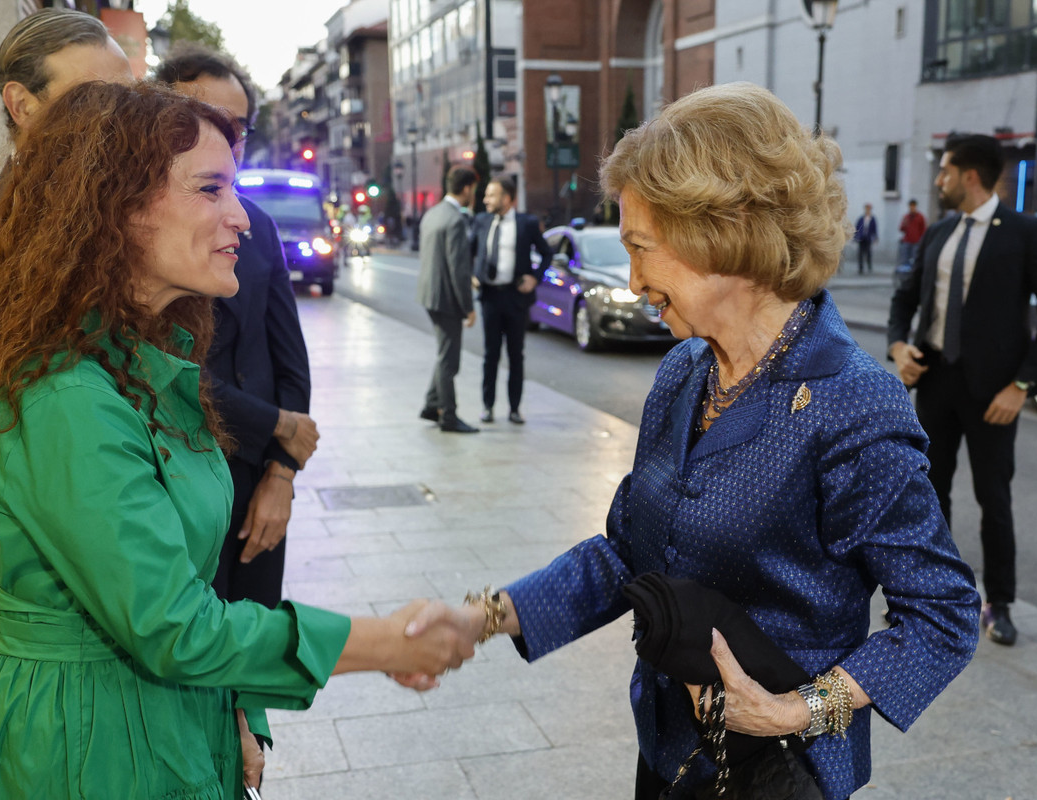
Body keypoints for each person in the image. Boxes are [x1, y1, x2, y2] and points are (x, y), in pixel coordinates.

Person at [416, 83, 980, 800]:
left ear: (723, 231)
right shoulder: (684, 370)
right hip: (670, 752)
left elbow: (942, 613)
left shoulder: (848, 401)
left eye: (641, 248)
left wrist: (796, 709)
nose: (633, 279)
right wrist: (484, 616)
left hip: (775, 774)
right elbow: (625, 550)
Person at [0, 81, 474, 799]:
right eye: (210, 189)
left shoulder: (140, 364)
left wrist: (238, 708)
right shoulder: (59, 395)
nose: (240, 218)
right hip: (79, 749)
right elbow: (171, 624)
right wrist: (380, 641)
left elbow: (187, 582)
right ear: (112, 209)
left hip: (167, 723)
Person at [0, 7, 135, 651]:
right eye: (90, 99)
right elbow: (13, 445)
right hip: (50, 602)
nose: (118, 119)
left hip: (132, 569)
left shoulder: (119, 218)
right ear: (21, 103)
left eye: (124, 99)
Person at [888, 133, 1037, 646]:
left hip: (995, 394)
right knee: (928, 494)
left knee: (994, 498)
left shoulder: (1026, 232)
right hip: (936, 381)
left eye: (944, 170)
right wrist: (900, 347)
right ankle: (932, 597)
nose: (938, 180)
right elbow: (905, 298)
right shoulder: (939, 232)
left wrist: (1022, 386)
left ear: (969, 176)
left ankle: (1000, 604)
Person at [154, 46, 316, 612]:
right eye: (204, 116)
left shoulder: (258, 224)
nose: (225, 135)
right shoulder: (138, 231)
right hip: (176, 484)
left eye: (238, 126)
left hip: (256, 489)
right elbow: (163, 372)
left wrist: (282, 476)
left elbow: (290, 363)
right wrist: (278, 424)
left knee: (251, 667)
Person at [471, 177, 553, 424]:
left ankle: (515, 409)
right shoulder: (481, 220)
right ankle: (487, 407)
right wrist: (472, 276)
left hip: (516, 298)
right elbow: (469, 250)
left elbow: (547, 253)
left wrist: (535, 279)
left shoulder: (526, 223)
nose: (486, 200)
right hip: (490, 297)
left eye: (491, 195)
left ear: (507, 198)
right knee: (490, 354)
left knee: (516, 355)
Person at [417, 166, 479, 433]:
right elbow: (458, 269)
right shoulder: (455, 220)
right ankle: (449, 417)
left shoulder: (432, 214)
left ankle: (432, 405)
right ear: (466, 189)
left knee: (443, 353)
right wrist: (468, 307)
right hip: (447, 299)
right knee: (449, 360)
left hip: (429, 294)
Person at [898, 198, 927, 265]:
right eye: (910, 206)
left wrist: (921, 241)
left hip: (916, 242)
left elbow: (923, 229)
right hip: (907, 241)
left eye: (913, 206)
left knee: (915, 259)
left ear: (915, 206)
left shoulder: (920, 217)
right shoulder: (906, 217)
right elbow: (901, 229)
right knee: (905, 258)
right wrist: (904, 224)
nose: (912, 208)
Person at [853, 202, 878, 274]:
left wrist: (875, 237)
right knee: (860, 253)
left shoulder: (872, 219)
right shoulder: (861, 218)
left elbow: (874, 229)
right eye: (866, 208)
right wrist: (855, 236)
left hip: (868, 238)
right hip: (861, 237)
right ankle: (861, 268)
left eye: (869, 209)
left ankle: (869, 266)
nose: (867, 210)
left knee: (868, 253)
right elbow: (857, 227)